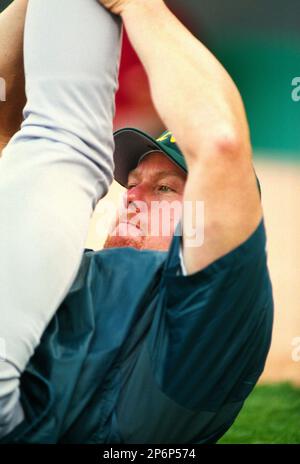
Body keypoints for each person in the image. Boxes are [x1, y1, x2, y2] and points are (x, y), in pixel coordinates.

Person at [0, 0, 273, 444]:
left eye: (165, 189)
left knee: (67, 139)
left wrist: (139, 6)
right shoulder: (66, 264)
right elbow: (3, 119)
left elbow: (220, 144)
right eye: (131, 185)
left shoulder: (213, 306)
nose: (133, 199)